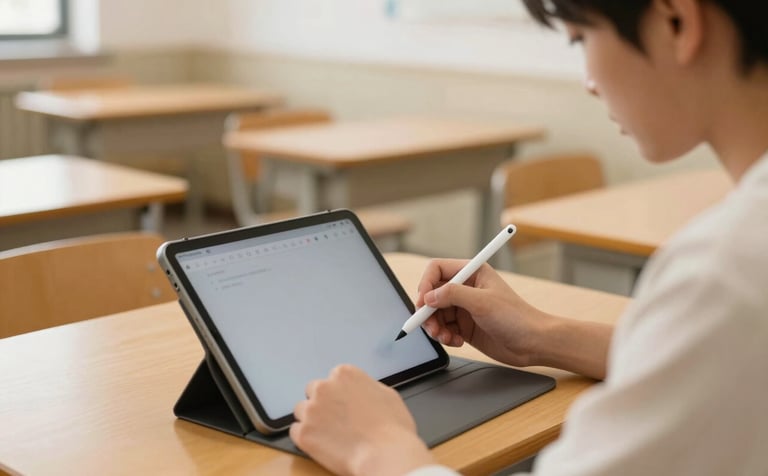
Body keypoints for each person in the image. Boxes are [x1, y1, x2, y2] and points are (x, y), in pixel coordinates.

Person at [288, 0, 768, 474]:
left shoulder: (724, 273)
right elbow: (706, 358)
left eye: (581, 39)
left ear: (676, 21)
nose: (589, 83)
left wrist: (380, 451)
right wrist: (541, 337)